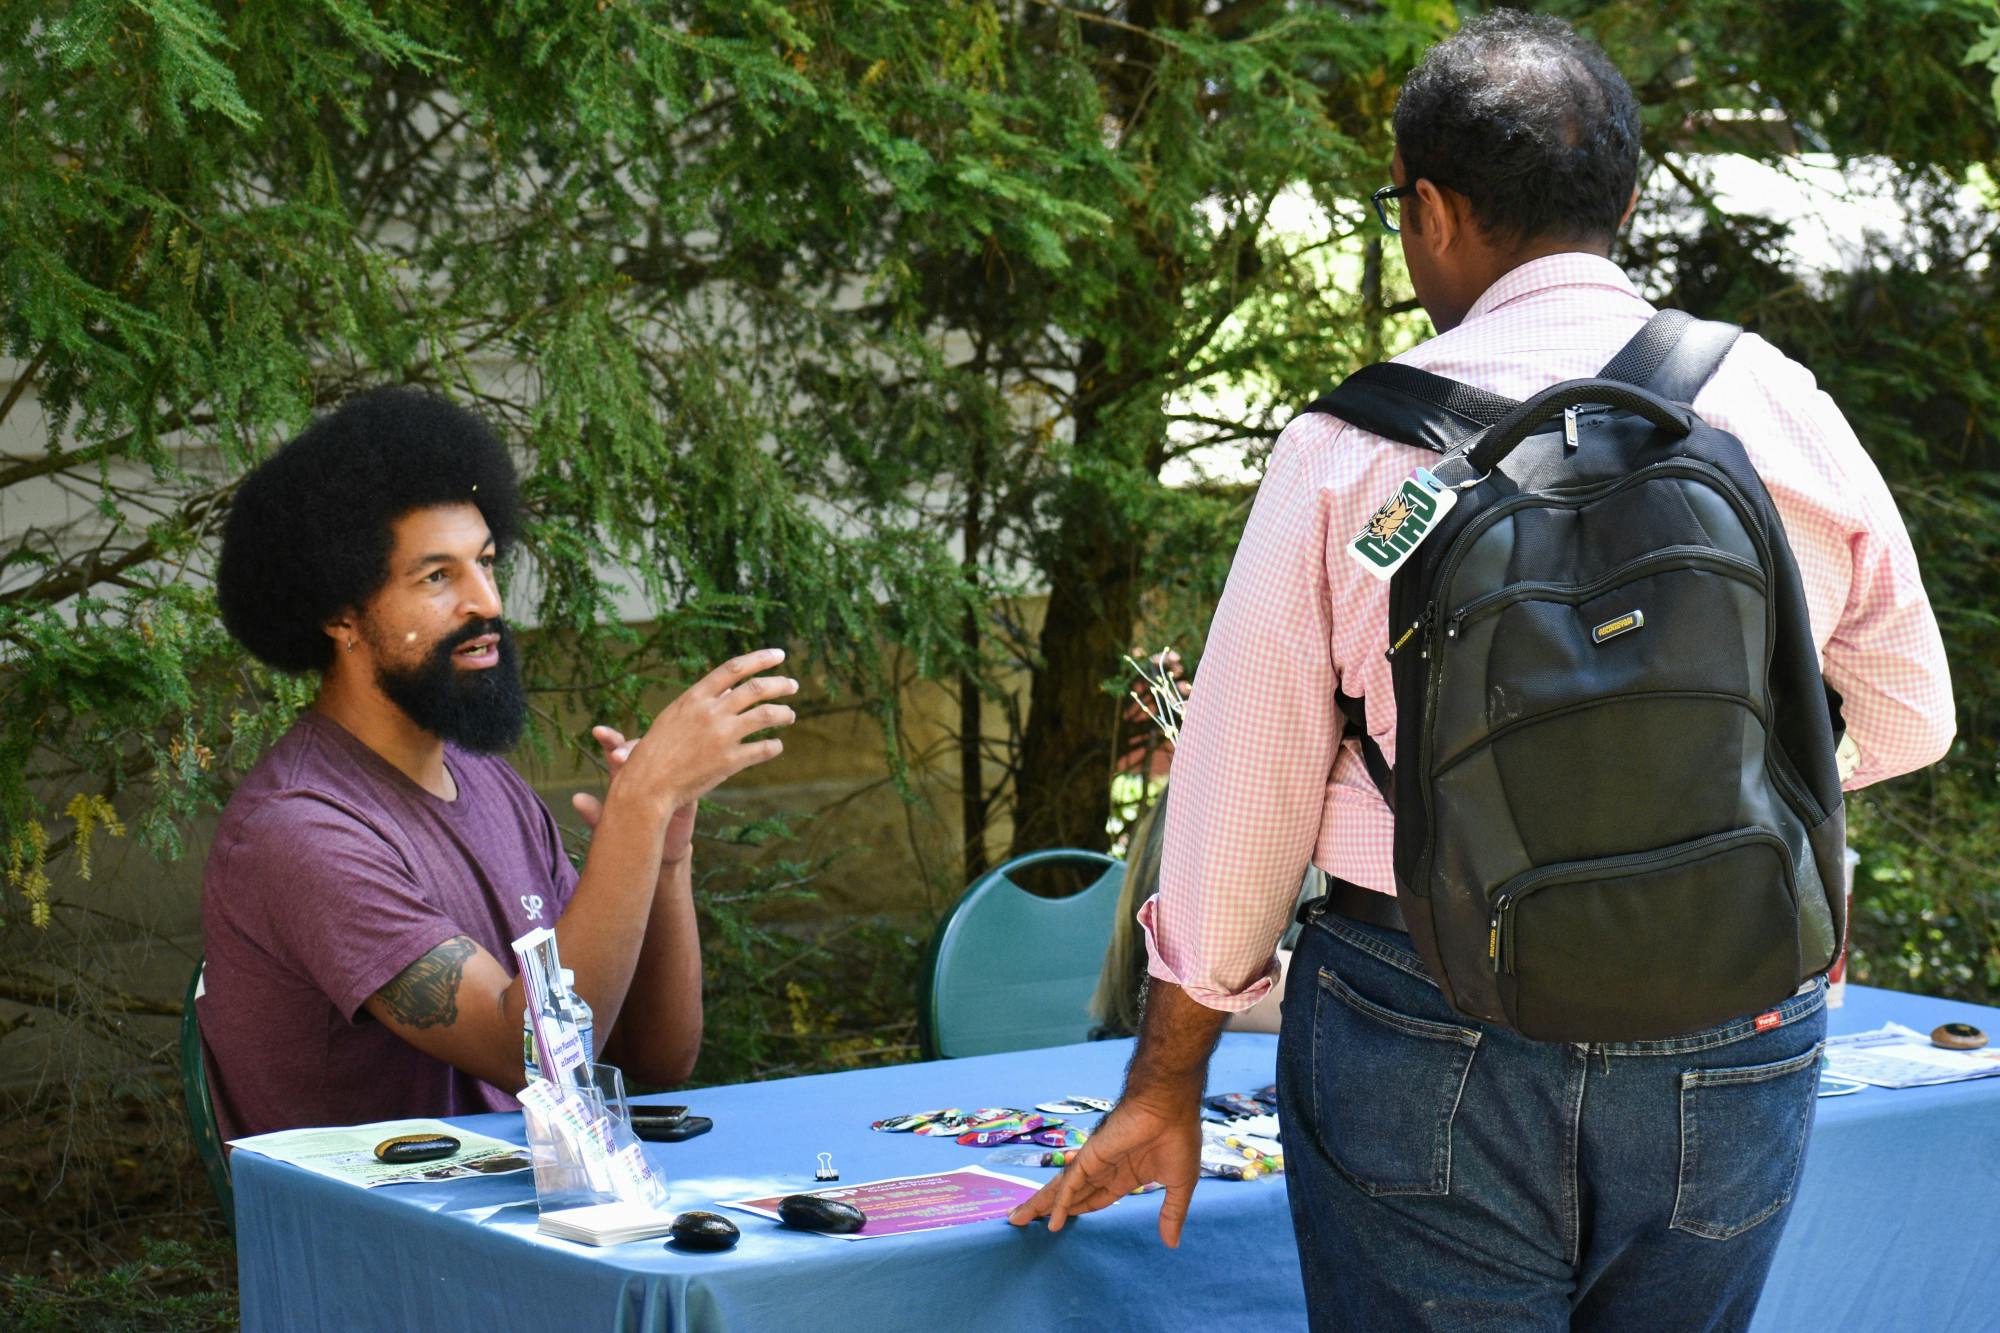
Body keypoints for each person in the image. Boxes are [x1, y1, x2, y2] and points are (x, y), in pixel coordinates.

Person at [1011, 13, 1955, 1331]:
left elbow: (1237, 824)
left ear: (1432, 212)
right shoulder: (1773, 401)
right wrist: (1727, 789)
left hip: (1425, 1011)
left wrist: (1165, 1084)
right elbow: (1913, 708)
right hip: (1730, 1013)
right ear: (1623, 201)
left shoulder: (1346, 453)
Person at [199, 386, 797, 1139]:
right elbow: (533, 1056)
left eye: (486, 562)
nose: (487, 602)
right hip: (391, 1244)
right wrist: (638, 803)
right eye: (437, 576)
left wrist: (664, 852)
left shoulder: (487, 785)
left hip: (536, 1215)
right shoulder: (302, 832)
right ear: (340, 613)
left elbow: (658, 1052)